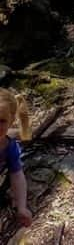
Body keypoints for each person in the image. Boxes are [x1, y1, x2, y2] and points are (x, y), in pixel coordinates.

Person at [0, 88, 31, 231]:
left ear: (12, 121)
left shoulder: (9, 147)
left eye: (1, 121)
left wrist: (21, 207)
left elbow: (17, 175)